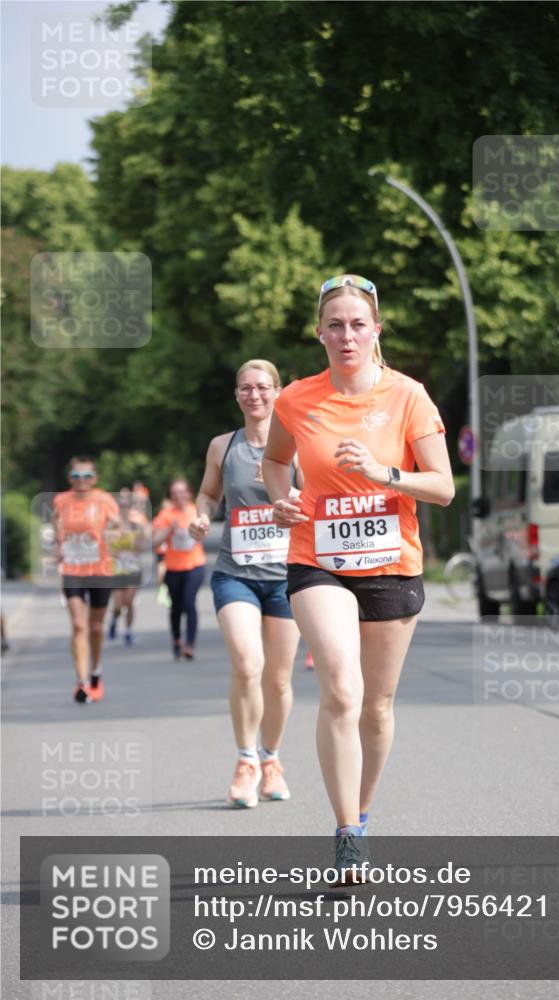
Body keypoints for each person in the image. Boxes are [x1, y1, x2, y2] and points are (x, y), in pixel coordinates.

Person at [263, 274, 455, 880]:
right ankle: (346, 833)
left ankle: (363, 814)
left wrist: (383, 472)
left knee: (376, 707)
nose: (346, 335)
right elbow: (275, 460)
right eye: (335, 325)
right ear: (319, 332)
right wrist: (281, 498)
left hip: (391, 564)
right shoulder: (296, 398)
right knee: (342, 691)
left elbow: (443, 487)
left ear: (376, 330)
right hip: (316, 559)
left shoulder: (409, 396)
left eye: (357, 324)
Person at [189, 359, 301, 808]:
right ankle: (246, 760)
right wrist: (201, 516)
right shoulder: (223, 445)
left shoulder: (297, 444)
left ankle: (271, 758)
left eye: (262, 387)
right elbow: (208, 494)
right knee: (248, 664)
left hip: (287, 576)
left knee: (278, 680)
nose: (254, 395)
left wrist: (287, 496)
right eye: (246, 388)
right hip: (235, 572)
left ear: (278, 392)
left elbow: (317, 497)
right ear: (237, 395)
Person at [53, 456, 121, 703]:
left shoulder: (104, 500)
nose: (81, 481)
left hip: (100, 569)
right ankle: (81, 682)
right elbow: (58, 528)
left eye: (87, 476)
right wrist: (58, 547)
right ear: (69, 478)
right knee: (79, 625)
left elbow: (118, 527)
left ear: (95, 478)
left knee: (95, 627)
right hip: (72, 569)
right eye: (76, 476)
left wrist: (116, 529)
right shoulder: (61, 500)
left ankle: (95, 672)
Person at [152, 479, 206, 659]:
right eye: (175, 493)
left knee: (190, 603)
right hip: (173, 567)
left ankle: (189, 645)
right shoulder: (165, 515)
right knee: (176, 607)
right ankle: (176, 640)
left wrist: (200, 530)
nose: (179, 496)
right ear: (171, 496)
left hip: (195, 565)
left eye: (182, 492)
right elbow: (155, 542)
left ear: (189, 493)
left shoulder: (196, 511)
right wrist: (169, 529)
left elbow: (204, 534)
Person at [107, 487, 149, 646]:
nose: (124, 509)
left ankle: (128, 632)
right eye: (121, 506)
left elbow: (143, 547)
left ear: (131, 508)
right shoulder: (112, 526)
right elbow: (106, 548)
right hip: (116, 568)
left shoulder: (136, 526)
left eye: (127, 506)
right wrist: (116, 544)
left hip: (133, 568)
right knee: (118, 605)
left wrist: (136, 542)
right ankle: (113, 620)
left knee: (129, 602)